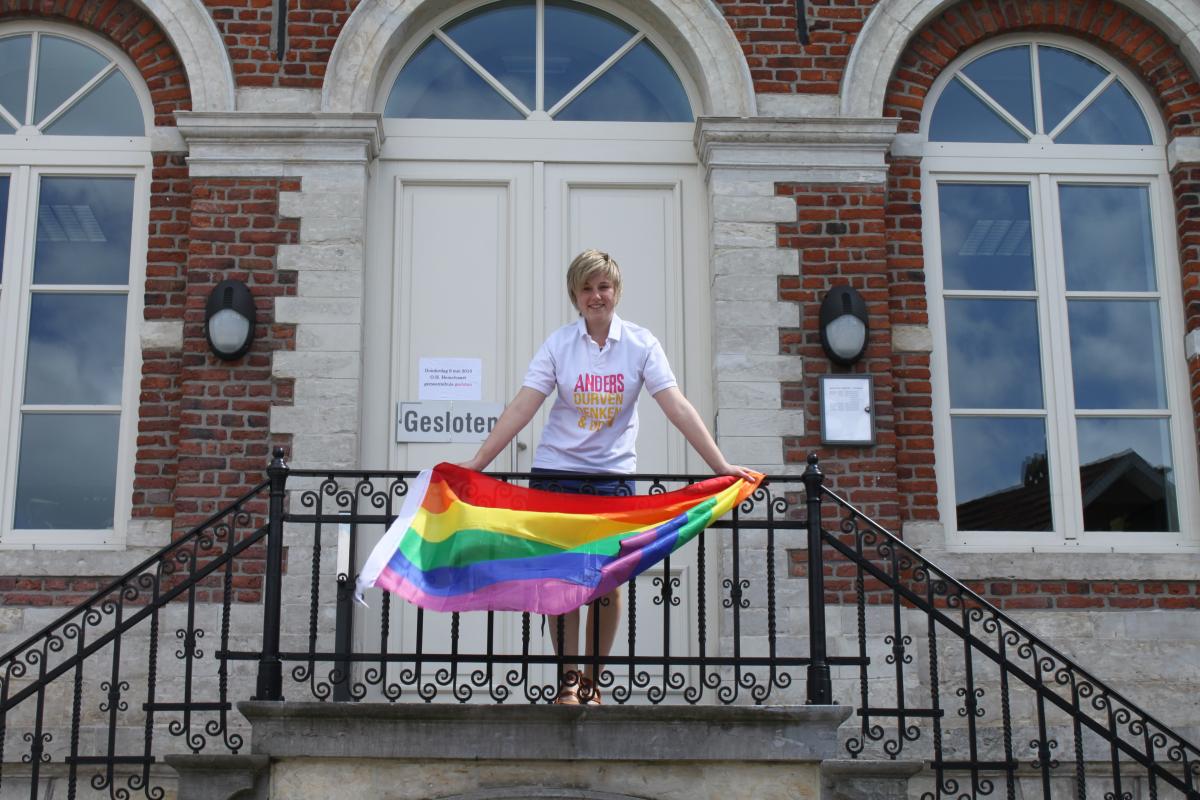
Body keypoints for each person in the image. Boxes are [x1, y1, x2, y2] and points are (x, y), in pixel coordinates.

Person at [458, 248, 754, 705]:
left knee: (606, 586)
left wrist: (721, 466)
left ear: (615, 291)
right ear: (574, 296)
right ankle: (569, 683)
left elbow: (675, 404)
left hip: (611, 481)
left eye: (604, 287)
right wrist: (478, 463)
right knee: (562, 585)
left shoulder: (640, 344)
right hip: (556, 478)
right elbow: (524, 405)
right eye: (587, 288)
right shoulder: (559, 344)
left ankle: (594, 683)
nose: (597, 296)